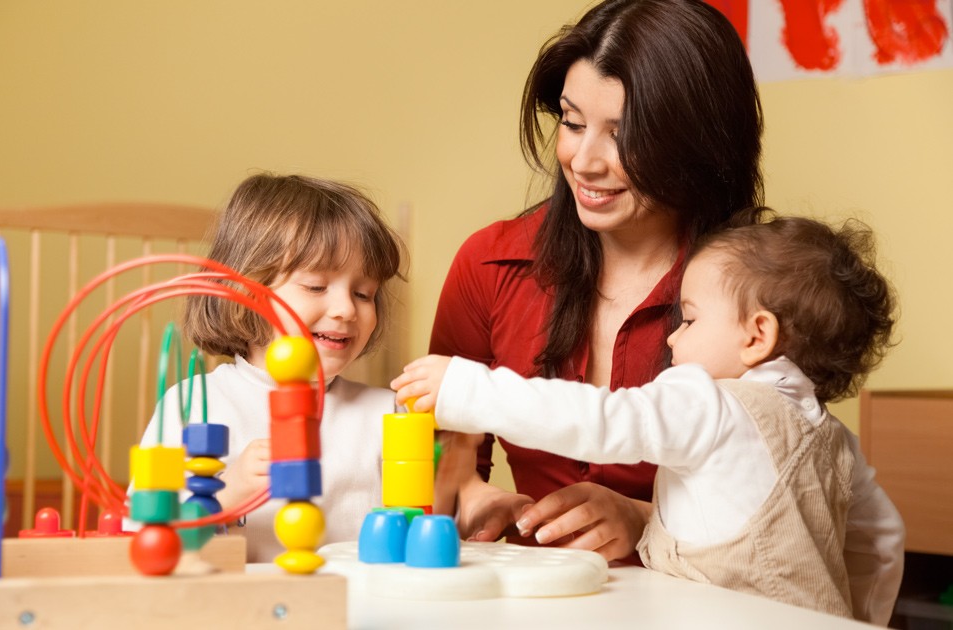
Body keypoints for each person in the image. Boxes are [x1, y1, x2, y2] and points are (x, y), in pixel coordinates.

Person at [395, 213, 905, 623]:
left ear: (757, 335)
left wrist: (467, 389)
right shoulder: (833, 437)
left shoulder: (707, 404)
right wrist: (858, 619)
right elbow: (881, 541)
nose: (672, 337)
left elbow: (600, 420)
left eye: (690, 319)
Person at [428, 0, 763, 560]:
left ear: (698, 141)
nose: (584, 161)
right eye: (573, 122)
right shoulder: (489, 263)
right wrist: (472, 496)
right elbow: (445, 455)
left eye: (622, 134)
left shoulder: (764, 293)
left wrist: (647, 521)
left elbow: (785, 503)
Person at [135, 173, 405, 562]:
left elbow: (427, 519)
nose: (347, 309)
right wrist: (227, 494)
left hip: (356, 596)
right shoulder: (193, 404)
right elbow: (147, 537)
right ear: (245, 290)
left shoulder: (388, 413)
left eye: (364, 294)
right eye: (316, 286)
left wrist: (468, 497)